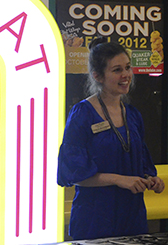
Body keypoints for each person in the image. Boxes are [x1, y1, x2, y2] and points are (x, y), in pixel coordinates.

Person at [57, 37, 165, 240]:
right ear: (98, 76)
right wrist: (119, 180)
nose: (126, 75)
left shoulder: (132, 115)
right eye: (117, 70)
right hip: (95, 218)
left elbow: (139, 165)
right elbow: (75, 175)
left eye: (127, 67)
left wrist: (151, 180)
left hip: (132, 217)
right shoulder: (82, 114)